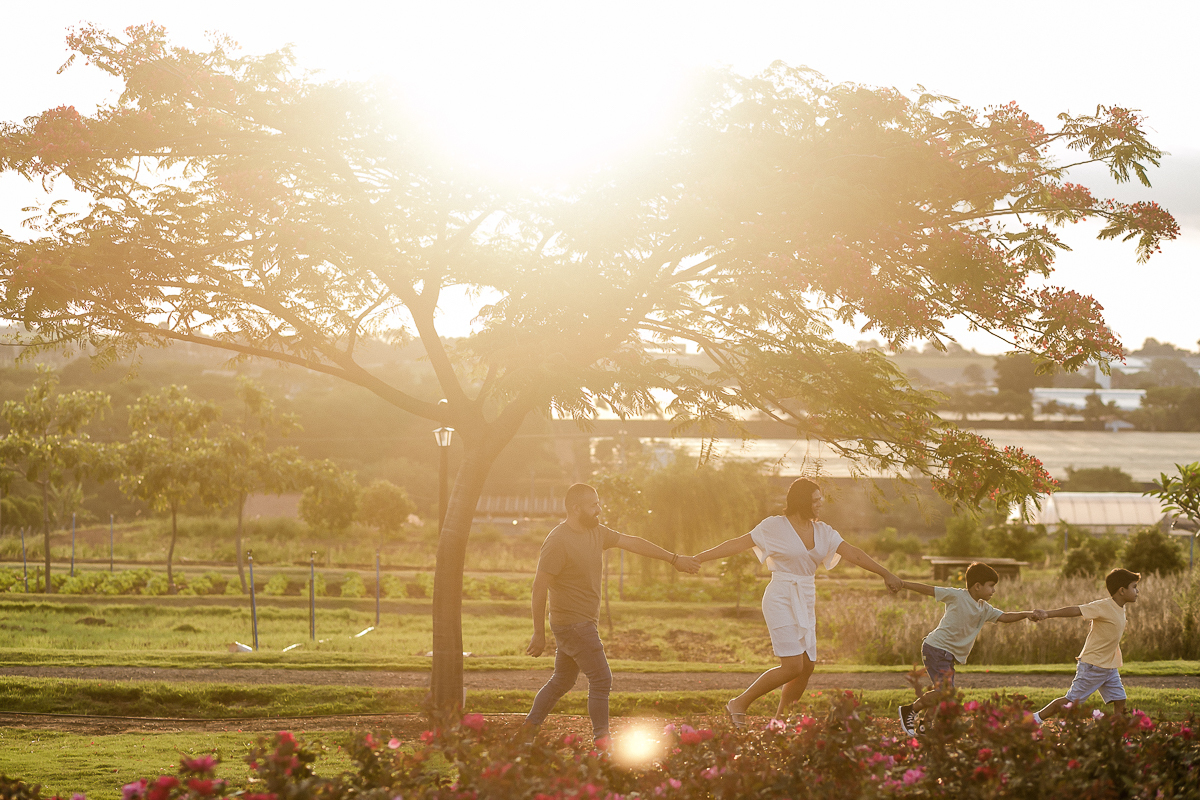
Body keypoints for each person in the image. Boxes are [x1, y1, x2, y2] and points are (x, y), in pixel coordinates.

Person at [692, 478, 902, 725]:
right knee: (792, 666)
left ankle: (779, 723)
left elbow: (854, 553)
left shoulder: (823, 531)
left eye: (820, 500)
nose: (819, 505)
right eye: (815, 501)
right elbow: (737, 544)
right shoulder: (774, 526)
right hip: (781, 595)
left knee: (807, 666)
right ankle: (739, 703)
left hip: (805, 595)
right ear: (802, 502)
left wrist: (885, 573)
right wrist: (698, 558)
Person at [521, 483, 700, 744]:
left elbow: (633, 542)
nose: (599, 509)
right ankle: (602, 743)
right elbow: (538, 588)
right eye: (593, 505)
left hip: (577, 623)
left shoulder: (597, 533)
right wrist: (538, 633)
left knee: (561, 681)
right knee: (601, 679)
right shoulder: (557, 541)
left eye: (598, 503)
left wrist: (673, 559)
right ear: (576, 508)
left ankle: (527, 732)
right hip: (573, 624)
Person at [896, 562, 1041, 736]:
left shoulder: (984, 608)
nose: (993, 591)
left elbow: (1005, 616)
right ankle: (909, 710)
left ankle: (925, 725)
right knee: (945, 694)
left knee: (946, 695)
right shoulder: (957, 596)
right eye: (991, 586)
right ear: (977, 586)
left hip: (947, 655)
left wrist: (1026, 614)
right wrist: (903, 584)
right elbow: (929, 589)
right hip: (936, 648)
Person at [1030, 567, 1140, 724]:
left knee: (1120, 699)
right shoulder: (1104, 606)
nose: (1137, 591)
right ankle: (1035, 719)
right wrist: (1047, 614)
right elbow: (1076, 610)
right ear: (1122, 590)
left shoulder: (1120, 607)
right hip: (1093, 665)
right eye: (1134, 587)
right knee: (1070, 702)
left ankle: (1119, 731)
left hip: (1109, 666)